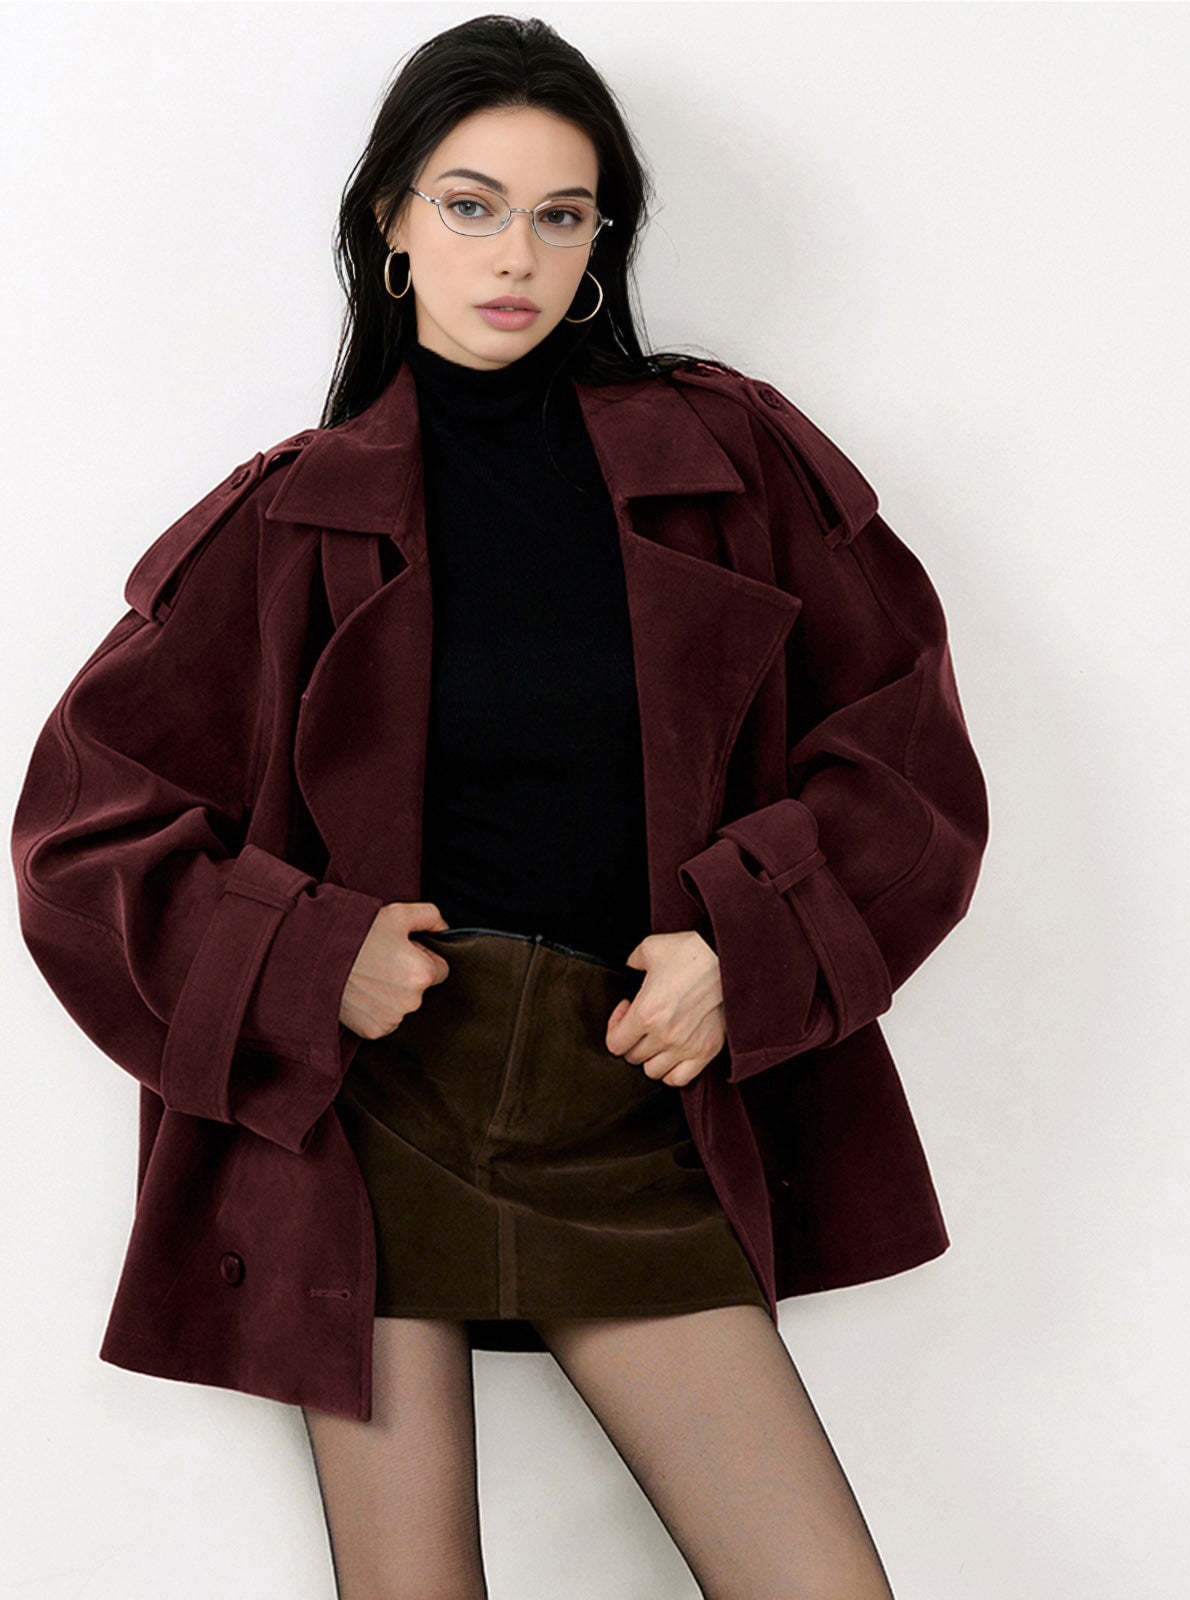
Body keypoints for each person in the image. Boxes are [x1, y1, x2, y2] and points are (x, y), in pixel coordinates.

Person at [12, 15, 989, 1600]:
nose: (515, 254)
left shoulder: (733, 459)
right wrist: (309, 958)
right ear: (391, 223)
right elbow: (80, 831)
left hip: (630, 1092)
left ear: (603, 239)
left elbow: (906, 750)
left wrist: (744, 947)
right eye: (470, 206)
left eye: (561, 212)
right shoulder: (288, 515)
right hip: (377, 1109)